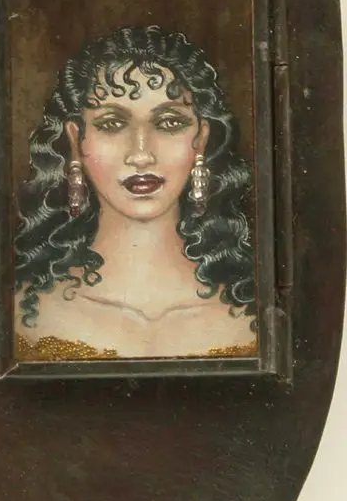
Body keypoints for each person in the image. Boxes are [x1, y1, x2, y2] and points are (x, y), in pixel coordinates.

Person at [14, 25, 256, 361]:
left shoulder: (252, 310)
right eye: (112, 124)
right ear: (75, 139)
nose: (141, 155)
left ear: (201, 139)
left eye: (169, 122)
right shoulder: (27, 311)